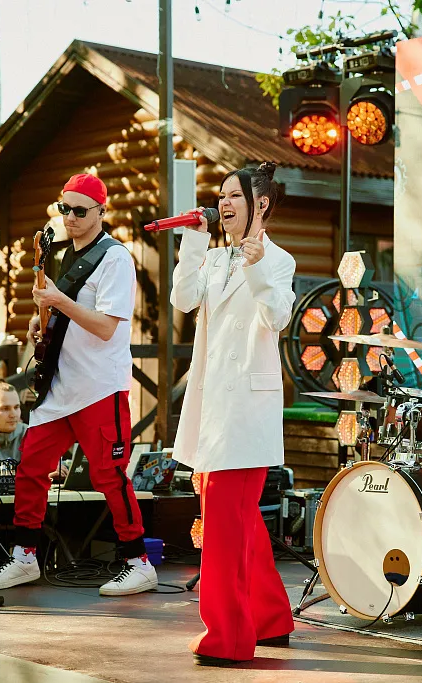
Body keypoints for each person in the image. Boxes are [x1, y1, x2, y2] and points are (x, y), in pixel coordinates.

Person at [0, 173, 156, 596]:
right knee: (31, 468)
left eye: (80, 210)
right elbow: (63, 313)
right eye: (65, 209)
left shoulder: (115, 258)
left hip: (99, 386)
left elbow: (107, 327)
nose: (71, 217)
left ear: (101, 211)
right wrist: (40, 323)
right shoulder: (62, 254)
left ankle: (139, 562)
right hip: (60, 386)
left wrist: (59, 301)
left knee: (109, 475)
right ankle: (25, 556)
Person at [171, 162, 297, 666]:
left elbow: (278, 316)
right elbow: (183, 300)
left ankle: (227, 637)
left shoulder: (279, 259)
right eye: (220, 195)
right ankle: (271, 618)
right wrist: (193, 242)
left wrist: (257, 267)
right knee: (239, 522)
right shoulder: (214, 257)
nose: (223, 204)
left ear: (259, 204)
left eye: (233, 196)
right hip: (212, 408)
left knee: (225, 527)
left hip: (246, 411)